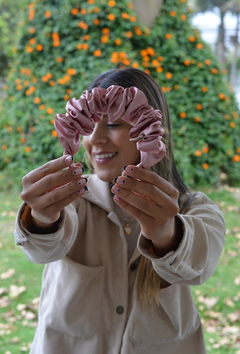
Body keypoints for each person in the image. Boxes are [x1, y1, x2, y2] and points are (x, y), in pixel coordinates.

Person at [14, 68, 225, 354]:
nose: (95, 138)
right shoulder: (72, 201)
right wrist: (40, 218)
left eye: (113, 124)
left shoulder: (193, 209)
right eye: (87, 125)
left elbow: (199, 264)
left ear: (151, 128)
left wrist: (166, 233)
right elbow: (42, 249)